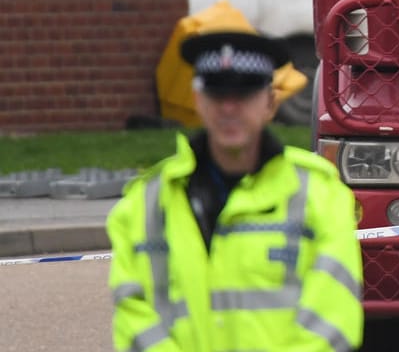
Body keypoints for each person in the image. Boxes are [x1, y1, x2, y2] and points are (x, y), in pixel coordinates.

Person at [108, 30, 364, 352]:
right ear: (198, 100)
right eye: (216, 94)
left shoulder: (319, 195)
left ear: (270, 102)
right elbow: (134, 312)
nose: (229, 108)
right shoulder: (145, 204)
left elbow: (333, 316)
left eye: (244, 94)